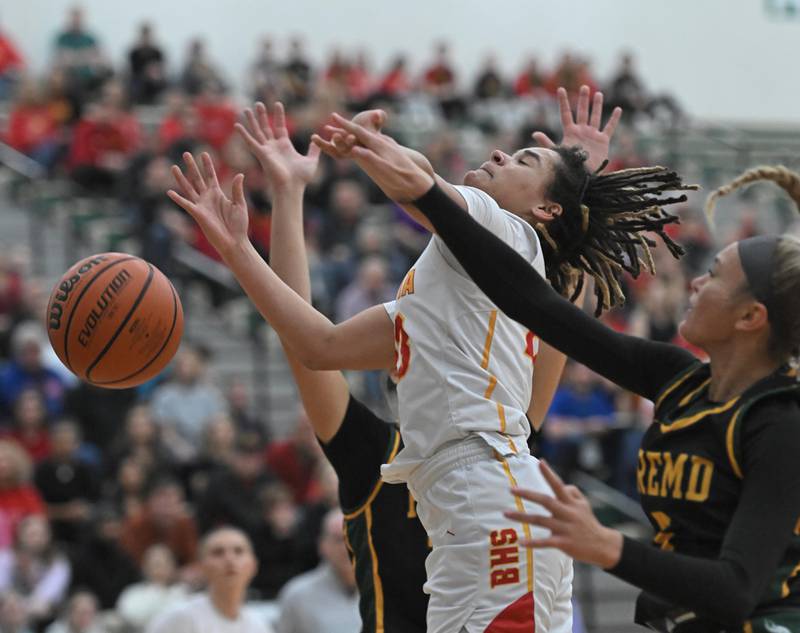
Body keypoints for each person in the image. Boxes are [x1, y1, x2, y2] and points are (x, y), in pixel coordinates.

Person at [169, 89, 690, 632]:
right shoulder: (445, 300)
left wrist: (370, 144)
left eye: (520, 159)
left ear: (544, 211)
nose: (497, 156)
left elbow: (420, 183)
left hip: (491, 503)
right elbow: (315, 345)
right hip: (477, 512)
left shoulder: (504, 227)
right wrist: (236, 249)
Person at [362, 149, 800, 631]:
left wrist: (607, 546)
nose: (695, 282)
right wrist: (433, 198)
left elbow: (736, 589)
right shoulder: (678, 379)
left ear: (750, 317)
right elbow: (534, 303)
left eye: (714, 276)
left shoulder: (780, 426)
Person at [171, 100, 430, 631]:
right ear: (399, 376)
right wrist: (287, 196)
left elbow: (552, 321)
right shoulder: (377, 456)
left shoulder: (506, 445)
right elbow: (304, 342)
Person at [146, 526, 273, 633]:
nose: (230, 559)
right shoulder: (179, 618)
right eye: (218, 552)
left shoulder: (260, 626)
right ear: (201, 566)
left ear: (253, 565)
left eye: (238, 551)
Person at [275, 509, 359, 633]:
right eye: (338, 539)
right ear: (322, 544)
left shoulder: (386, 591)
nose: (346, 548)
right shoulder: (297, 595)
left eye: (353, 538)